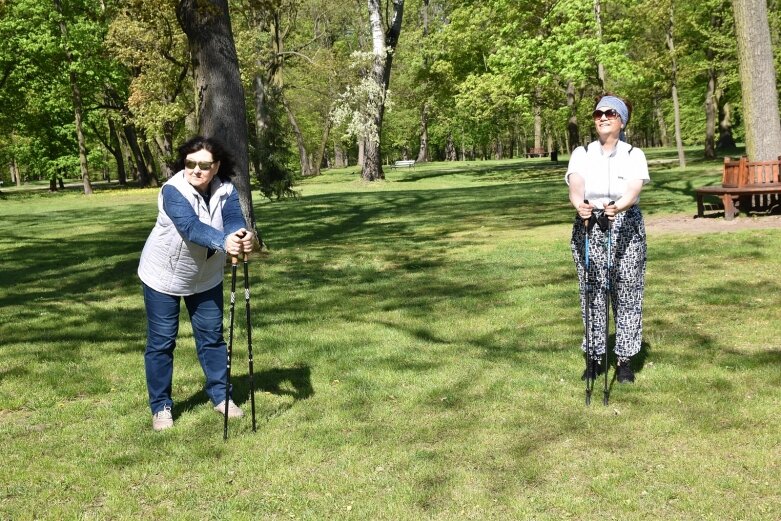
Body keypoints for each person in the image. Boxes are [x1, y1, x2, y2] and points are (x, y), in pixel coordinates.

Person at [138, 136, 254, 431]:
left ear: (216, 167)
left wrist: (242, 235)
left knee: (212, 338)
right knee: (162, 342)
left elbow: (232, 219)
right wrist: (223, 242)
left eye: (204, 165)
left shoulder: (226, 190)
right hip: (163, 276)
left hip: (205, 277)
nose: (196, 170)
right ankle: (161, 407)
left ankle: (220, 397)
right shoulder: (172, 191)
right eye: (190, 163)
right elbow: (191, 228)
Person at [565, 95, 650, 384]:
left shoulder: (633, 153)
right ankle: (595, 357)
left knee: (626, 290)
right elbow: (576, 185)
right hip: (589, 222)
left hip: (624, 224)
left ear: (622, 120)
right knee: (592, 292)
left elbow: (634, 190)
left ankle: (624, 360)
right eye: (598, 113)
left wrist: (619, 206)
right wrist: (580, 204)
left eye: (610, 113)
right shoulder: (582, 153)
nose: (602, 117)